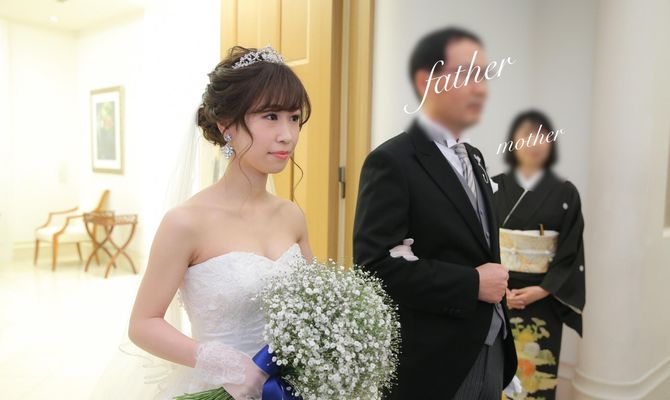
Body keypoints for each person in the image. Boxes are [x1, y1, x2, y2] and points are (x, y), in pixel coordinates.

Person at [353, 27, 517, 400]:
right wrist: (471, 284)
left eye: (483, 76)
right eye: (467, 74)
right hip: (435, 360)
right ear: (426, 81)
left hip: (492, 345)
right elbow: (373, 267)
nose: (481, 89)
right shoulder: (391, 161)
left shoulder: (474, 157)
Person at [491, 110, 585, 400]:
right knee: (495, 373)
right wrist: (499, 289)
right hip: (497, 293)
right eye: (526, 134)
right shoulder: (492, 187)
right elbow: (481, 242)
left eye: (541, 135)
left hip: (543, 297)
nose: (534, 142)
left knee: (537, 374)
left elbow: (570, 250)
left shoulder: (566, 193)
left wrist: (543, 290)